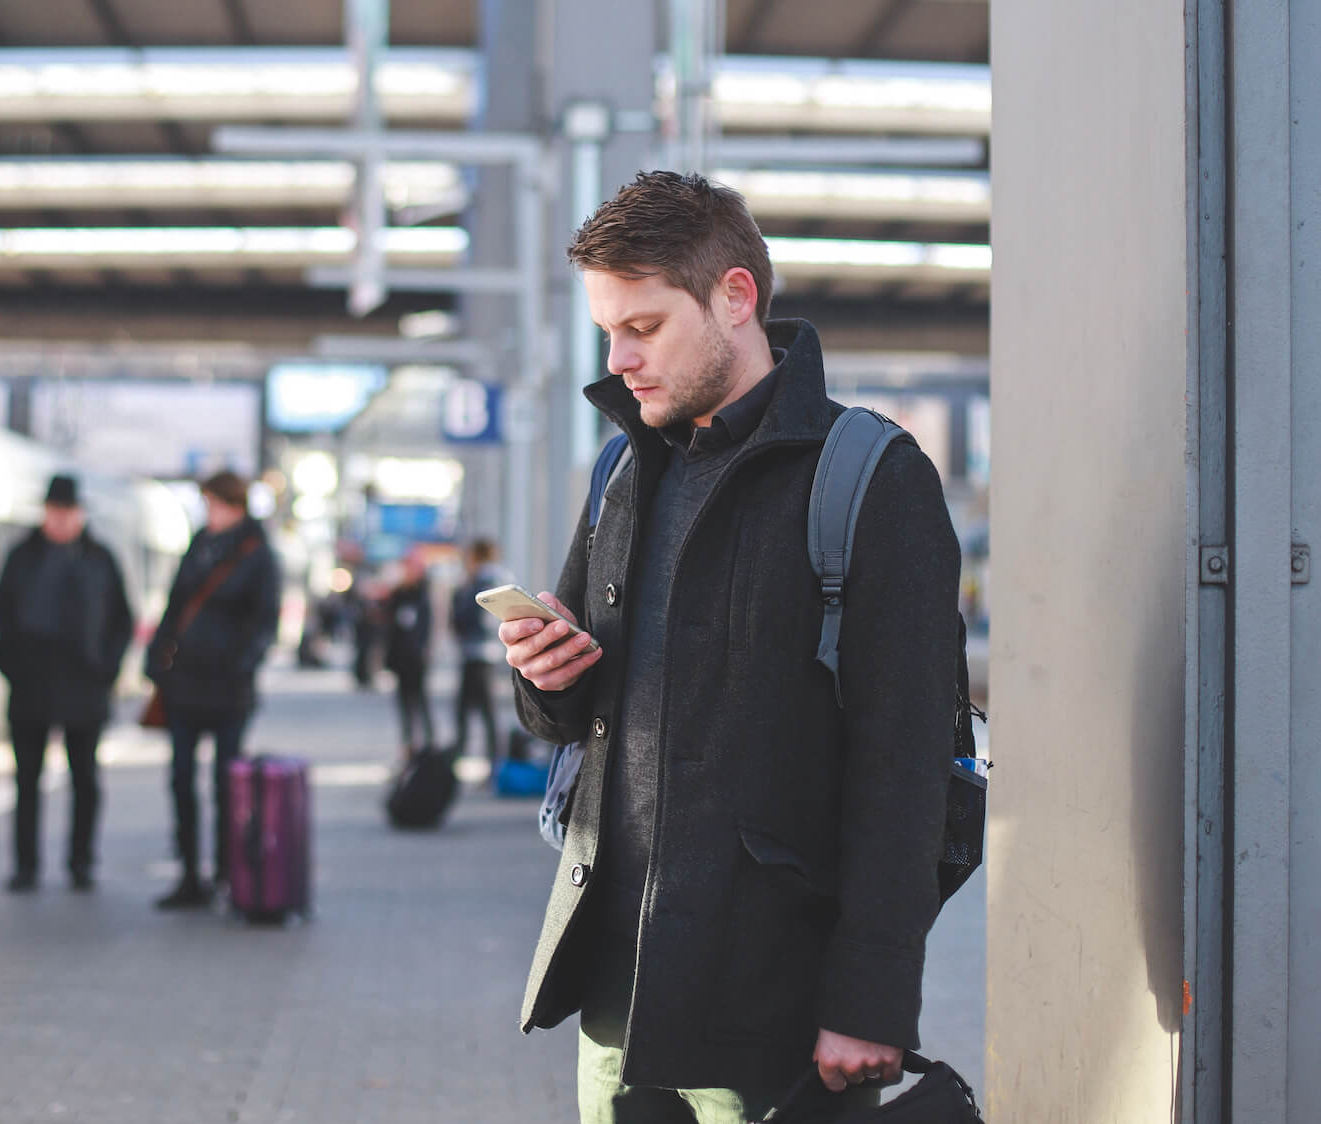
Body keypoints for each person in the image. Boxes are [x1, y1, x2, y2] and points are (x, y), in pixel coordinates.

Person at [500, 171, 962, 1122]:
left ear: (735, 297)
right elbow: (577, 716)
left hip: (769, 1018)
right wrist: (543, 678)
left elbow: (907, 765)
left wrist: (870, 1002)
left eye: (645, 326)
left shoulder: (872, 478)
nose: (620, 358)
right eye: (607, 332)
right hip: (614, 1005)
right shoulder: (624, 467)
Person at [0, 474, 135, 893]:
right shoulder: (21, 557)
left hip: (85, 686)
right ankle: (26, 865)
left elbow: (122, 620)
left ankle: (81, 861)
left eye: (67, 512)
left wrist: (106, 669)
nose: (60, 520)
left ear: (80, 514)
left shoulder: (100, 559)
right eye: (54, 512)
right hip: (31, 686)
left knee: (85, 779)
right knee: (27, 781)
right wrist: (13, 667)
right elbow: (3, 617)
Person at [145, 471, 280, 909]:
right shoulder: (199, 545)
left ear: (232, 504)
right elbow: (176, 603)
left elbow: (265, 622)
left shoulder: (258, 553)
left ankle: (228, 872)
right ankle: (189, 873)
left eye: (212, 504)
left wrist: (242, 665)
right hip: (185, 683)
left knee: (227, 784)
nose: (208, 512)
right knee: (181, 778)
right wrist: (158, 653)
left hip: (228, 688)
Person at [448, 538, 507, 770]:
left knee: (480, 711)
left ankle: (488, 764)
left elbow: (481, 619)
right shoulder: (492, 579)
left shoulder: (485, 580)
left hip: (481, 653)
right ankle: (486, 763)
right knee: (480, 711)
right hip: (480, 653)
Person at [383, 552, 435, 757]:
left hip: (416, 658)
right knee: (404, 704)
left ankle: (429, 748)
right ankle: (408, 747)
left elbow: (427, 626)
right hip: (400, 658)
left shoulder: (424, 593)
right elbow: (387, 623)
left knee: (420, 702)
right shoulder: (398, 594)